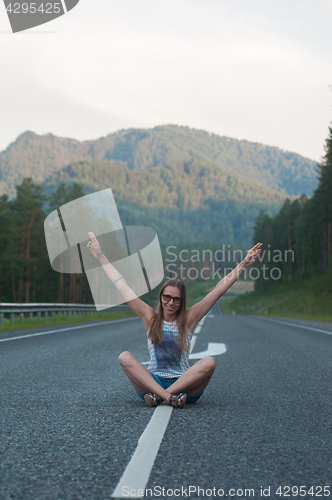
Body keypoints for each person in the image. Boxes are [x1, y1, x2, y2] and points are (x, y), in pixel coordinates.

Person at [87, 231, 262, 409]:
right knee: (124, 357)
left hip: (185, 384)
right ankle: (168, 397)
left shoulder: (189, 318)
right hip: (153, 382)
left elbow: (218, 290)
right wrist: (100, 256)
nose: (170, 302)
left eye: (176, 299)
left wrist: (244, 264)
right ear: (161, 297)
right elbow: (121, 285)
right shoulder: (150, 317)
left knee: (210, 362)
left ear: (182, 301)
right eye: (167, 297)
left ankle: (161, 397)